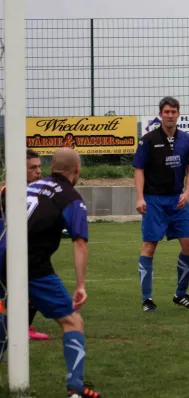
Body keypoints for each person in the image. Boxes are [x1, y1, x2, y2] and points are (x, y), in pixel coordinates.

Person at [0, 148, 104, 397]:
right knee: (72, 321)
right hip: (30, 264)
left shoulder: (30, 187)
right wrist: (80, 286)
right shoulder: (71, 198)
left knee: (4, 321)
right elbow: (79, 242)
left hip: (4, 253)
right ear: (77, 169)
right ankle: (76, 389)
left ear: (51, 167)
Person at [133, 96, 189, 312]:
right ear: (160, 114)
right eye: (167, 112)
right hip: (154, 201)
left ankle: (180, 294)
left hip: (178, 201)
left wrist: (187, 193)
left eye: (174, 112)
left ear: (179, 114)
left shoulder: (188, 140)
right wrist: (140, 197)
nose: (170, 115)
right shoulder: (148, 140)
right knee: (150, 247)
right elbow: (139, 169)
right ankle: (146, 299)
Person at [0, 149, 49, 341]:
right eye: (32, 167)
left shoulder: (37, 190)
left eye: (39, 166)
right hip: (7, 251)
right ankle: (15, 329)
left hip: (27, 250)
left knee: (31, 288)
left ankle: (23, 327)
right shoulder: (10, 192)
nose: (38, 171)